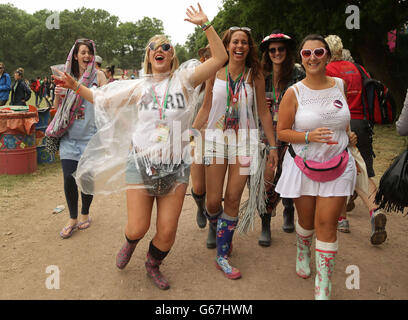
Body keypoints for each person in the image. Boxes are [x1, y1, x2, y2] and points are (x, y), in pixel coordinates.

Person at [54, 4, 228, 290]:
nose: (160, 49)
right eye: (153, 47)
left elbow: (219, 57)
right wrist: (76, 87)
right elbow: (101, 99)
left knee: (167, 233)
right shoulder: (139, 87)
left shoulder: (185, 80)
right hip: (141, 164)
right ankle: (131, 242)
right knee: (138, 227)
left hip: (176, 168)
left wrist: (205, 24)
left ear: (172, 55)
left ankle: (153, 263)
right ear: (149, 56)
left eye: (166, 46)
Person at [276, 34, 357, 299]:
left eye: (318, 52)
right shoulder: (294, 92)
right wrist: (308, 136)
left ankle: (323, 283)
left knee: (327, 224)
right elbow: (282, 132)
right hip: (304, 166)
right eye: (307, 54)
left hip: (338, 165)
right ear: (301, 58)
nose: (313, 58)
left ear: (328, 56)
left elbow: (342, 119)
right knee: (307, 220)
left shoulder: (340, 85)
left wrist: (349, 134)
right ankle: (303, 249)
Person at [199, 26, 278, 279]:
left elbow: (264, 113)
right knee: (213, 202)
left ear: (249, 47)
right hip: (216, 140)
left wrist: (274, 145)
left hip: (245, 141)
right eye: (235, 42)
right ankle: (219, 227)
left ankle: (222, 253)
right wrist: (191, 134)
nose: (240, 46)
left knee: (232, 198)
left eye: (244, 42)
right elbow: (206, 106)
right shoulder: (215, 70)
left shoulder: (254, 74)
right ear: (227, 45)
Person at [325, 34, 387, 245]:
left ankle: (342, 219)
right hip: (363, 123)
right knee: (362, 168)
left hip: (343, 124)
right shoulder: (359, 69)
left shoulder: (328, 71)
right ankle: (374, 210)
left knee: (338, 171)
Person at [46, 39, 107, 239]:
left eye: (89, 52)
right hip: (69, 138)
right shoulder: (67, 76)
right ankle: (72, 218)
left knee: (87, 178)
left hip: (90, 136)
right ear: (75, 55)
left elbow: (105, 102)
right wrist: (58, 94)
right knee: (69, 178)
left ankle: (85, 214)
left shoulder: (98, 76)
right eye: (83, 52)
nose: (87, 56)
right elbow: (57, 107)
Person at [257, 30, 305, 246]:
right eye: (272, 50)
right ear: (267, 53)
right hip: (266, 135)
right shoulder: (260, 76)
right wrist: (259, 105)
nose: (277, 53)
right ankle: (265, 223)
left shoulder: (298, 74)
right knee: (266, 180)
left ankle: (288, 207)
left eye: (281, 49)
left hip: (291, 134)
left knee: (288, 175)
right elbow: (249, 105)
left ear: (288, 51)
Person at [190, 45, 214, 246]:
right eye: (209, 59)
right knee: (198, 186)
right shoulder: (195, 83)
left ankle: (213, 227)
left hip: (220, 140)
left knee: (215, 188)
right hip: (197, 137)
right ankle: (200, 205)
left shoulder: (225, 80)